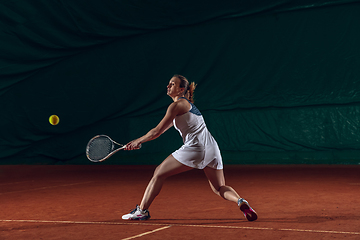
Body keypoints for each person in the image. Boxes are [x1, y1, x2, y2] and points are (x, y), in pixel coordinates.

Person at [122, 74, 257, 221]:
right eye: (168, 83)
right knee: (219, 188)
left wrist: (137, 141)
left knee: (159, 173)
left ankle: (142, 211)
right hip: (212, 148)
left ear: (181, 90)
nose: (168, 86)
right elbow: (158, 132)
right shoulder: (186, 106)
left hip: (196, 148)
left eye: (172, 84)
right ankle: (240, 201)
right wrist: (139, 141)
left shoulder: (176, 105)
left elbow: (156, 131)